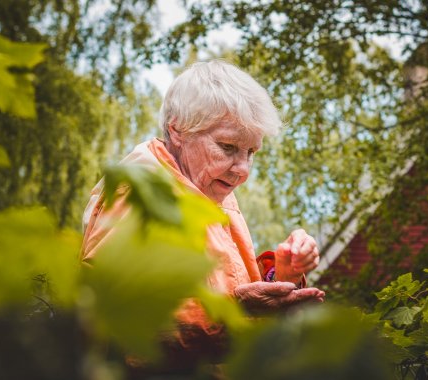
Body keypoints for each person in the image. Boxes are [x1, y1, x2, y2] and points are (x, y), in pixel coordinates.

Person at [81, 60, 324, 374]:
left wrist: (281, 277)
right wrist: (230, 313)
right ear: (178, 129)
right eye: (227, 147)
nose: (243, 170)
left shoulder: (208, 188)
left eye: (251, 152)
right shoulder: (139, 195)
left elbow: (225, 285)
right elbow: (110, 328)